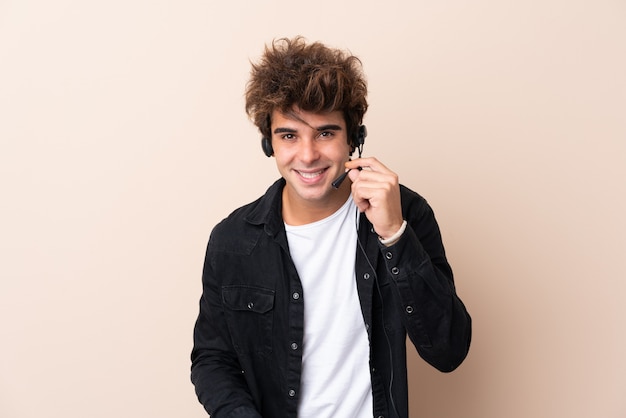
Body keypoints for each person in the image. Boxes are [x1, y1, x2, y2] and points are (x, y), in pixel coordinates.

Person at [191, 36, 471, 418]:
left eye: (325, 133)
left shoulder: (407, 213)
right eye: (289, 135)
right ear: (268, 144)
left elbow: (449, 350)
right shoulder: (233, 240)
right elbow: (211, 359)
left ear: (354, 138)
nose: (308, 155)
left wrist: (394, 234)